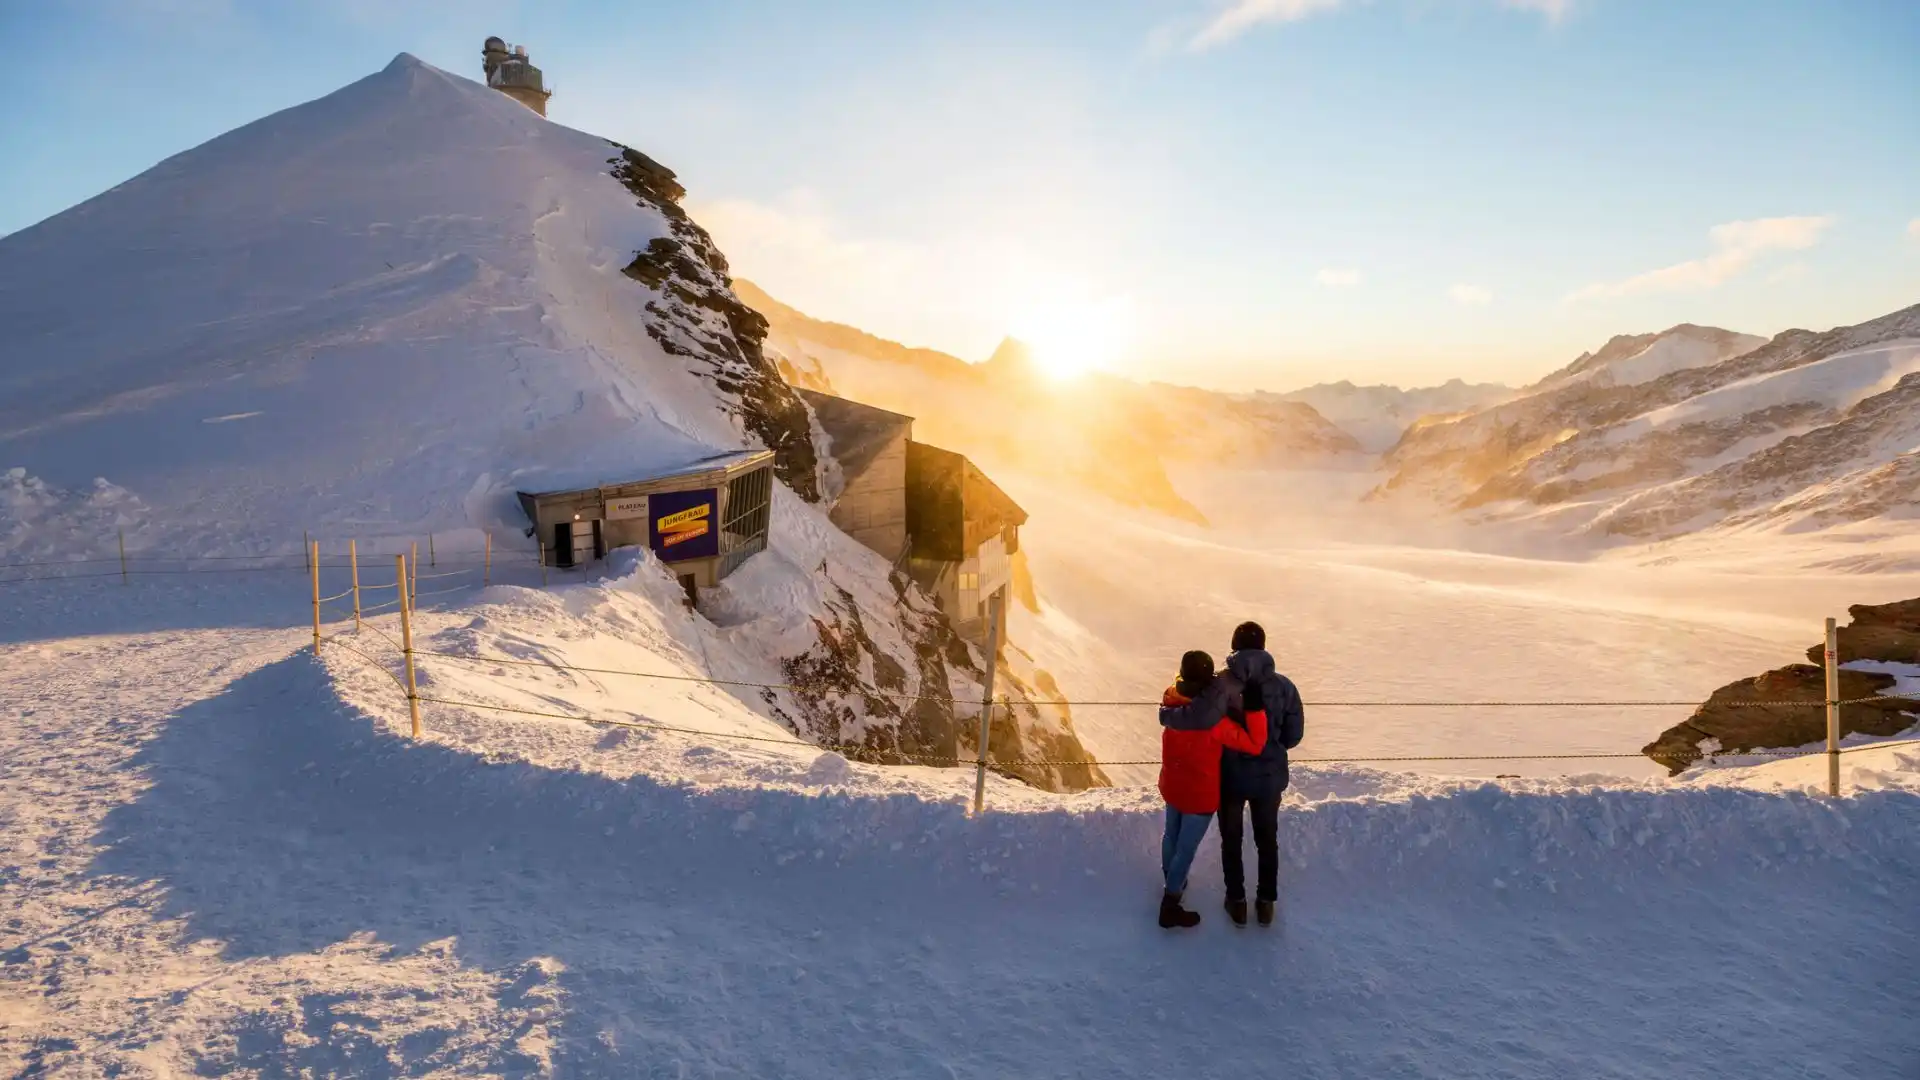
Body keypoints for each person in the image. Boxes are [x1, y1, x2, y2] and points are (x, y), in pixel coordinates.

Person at [1156, 650, 1268, 929]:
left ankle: (1173, 880)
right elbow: (1254, 744)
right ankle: (1170, 903)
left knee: (1171, 836)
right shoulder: (1214, 723)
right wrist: (1254, 710)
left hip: (1172, 784)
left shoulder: (1171, 700)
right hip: (1199, 795)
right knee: (1186, 848)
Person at [1217, 621, 1305, 927]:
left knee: (1231, 838)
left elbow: (1205, 726)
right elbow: (1294, 736)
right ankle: (1266, 903)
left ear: (1234, 646)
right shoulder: (1285, 687)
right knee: (1267, 839)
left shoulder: (1220, 684)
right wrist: (1272, 745)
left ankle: (1236, 902)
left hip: (1229, 775)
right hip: (1269, 777)